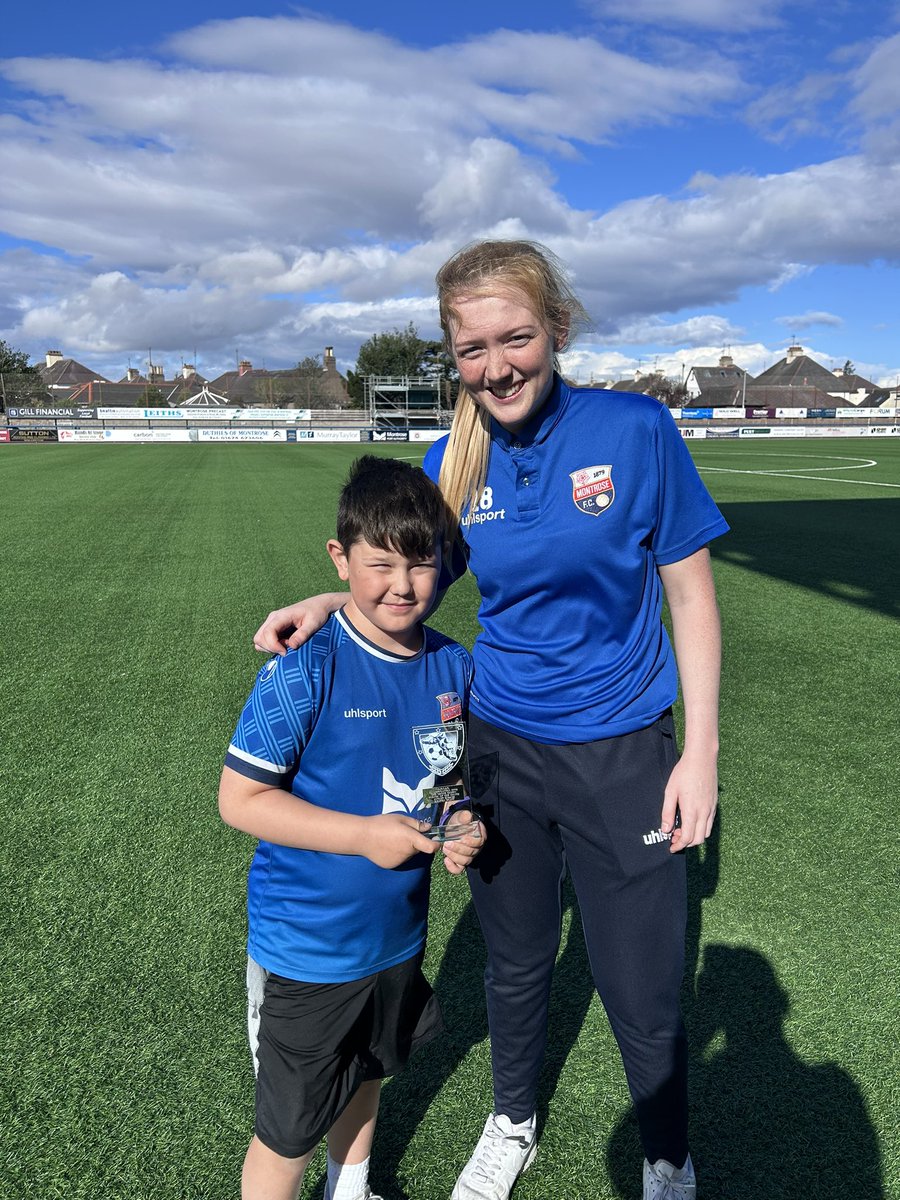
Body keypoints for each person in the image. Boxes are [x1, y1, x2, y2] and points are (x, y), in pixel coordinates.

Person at [253, 241, 729, 1200]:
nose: (497, 366)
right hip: (499, 749)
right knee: (514, 964)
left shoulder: (636, 430)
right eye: (472, 349)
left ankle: (667, 1156)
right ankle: (512, 1121)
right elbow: (413, 574)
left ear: (556, 328)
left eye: (516, 338)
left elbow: (692, 599)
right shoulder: (449, 458)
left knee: (641, 986)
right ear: (452, 353)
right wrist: (327, 600)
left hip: (624, 753)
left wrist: (701, 753)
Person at [220, 455, 485, 1200]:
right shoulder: (307, 665)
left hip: (396, 938)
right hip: (309, 949)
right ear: (341, 559)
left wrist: (459, 825)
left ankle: (352, 1187)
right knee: (287, 1131)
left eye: (421, 564)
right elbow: (240, 801)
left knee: (370, 1073)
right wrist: (366, 836)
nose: (402, 586)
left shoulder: (452, 666)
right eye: (379, 565)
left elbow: (449, 783)